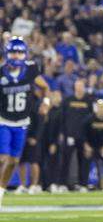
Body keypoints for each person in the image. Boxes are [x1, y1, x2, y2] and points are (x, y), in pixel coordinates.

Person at [0, 38, 50, 208]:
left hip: (21, 122)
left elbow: (45, 88)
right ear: (7, 53)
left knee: (13, 161)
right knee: (3, 158)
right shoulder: (1, 72)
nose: (17, 55)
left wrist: (46, 103)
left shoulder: (30, 70)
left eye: (20, 52)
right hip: (4, 121)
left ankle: (0, 192)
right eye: (14, 52)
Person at [59, 79, 94, 190]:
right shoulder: (68, 100)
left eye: (81, 86)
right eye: (78, 86)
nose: (80, 88)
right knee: (66, 160)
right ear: (75, 87)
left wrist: (89, 138)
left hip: (83, 136)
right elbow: (62, 118)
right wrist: (62, 133)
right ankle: (63, 184)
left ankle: (83, 184)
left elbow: (92, 120)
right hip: (69, 135)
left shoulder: (88, 101)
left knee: (84, 160)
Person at [82, 99, 103, 190]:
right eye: (99, 107)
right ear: (96, 108)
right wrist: (86, 146)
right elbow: (83, 133)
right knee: (86, 163)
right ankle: (83, 185)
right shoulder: (89, 119)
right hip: (90, 145)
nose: (101, 109)